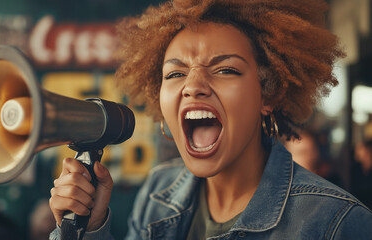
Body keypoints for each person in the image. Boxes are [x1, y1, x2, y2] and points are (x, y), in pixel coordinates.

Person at [49, 0, 372, 239]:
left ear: (269, 95)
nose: (192, 87)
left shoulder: (337, 223)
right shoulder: (156, 192)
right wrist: (89, 229)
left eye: (226, 69)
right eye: (175, 73)